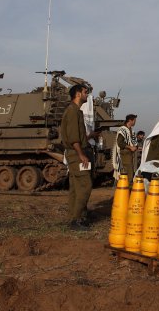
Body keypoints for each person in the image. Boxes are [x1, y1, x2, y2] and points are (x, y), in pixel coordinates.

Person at [61, 84, 94, 231]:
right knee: (85, 185)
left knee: (75, 187)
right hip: (76, 154)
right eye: (85, 92)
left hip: (75, 152)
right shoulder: (73, 112)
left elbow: (78, 136)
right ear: (78, 94)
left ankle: (75, 217)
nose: (87, 95)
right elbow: (74, 138)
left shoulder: (76, 112)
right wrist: (81, 154)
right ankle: (76, 219)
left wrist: (89, 137)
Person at [113, 114, 138, 185]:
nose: (135, 122)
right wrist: (130, 147)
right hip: (125, 153)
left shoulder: (130, 130)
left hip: (129, 154)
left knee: (129, 172)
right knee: (128, 173)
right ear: (130, 120)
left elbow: (133, 142)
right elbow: (120, 143)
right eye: (134, 120)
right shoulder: (122, 130)